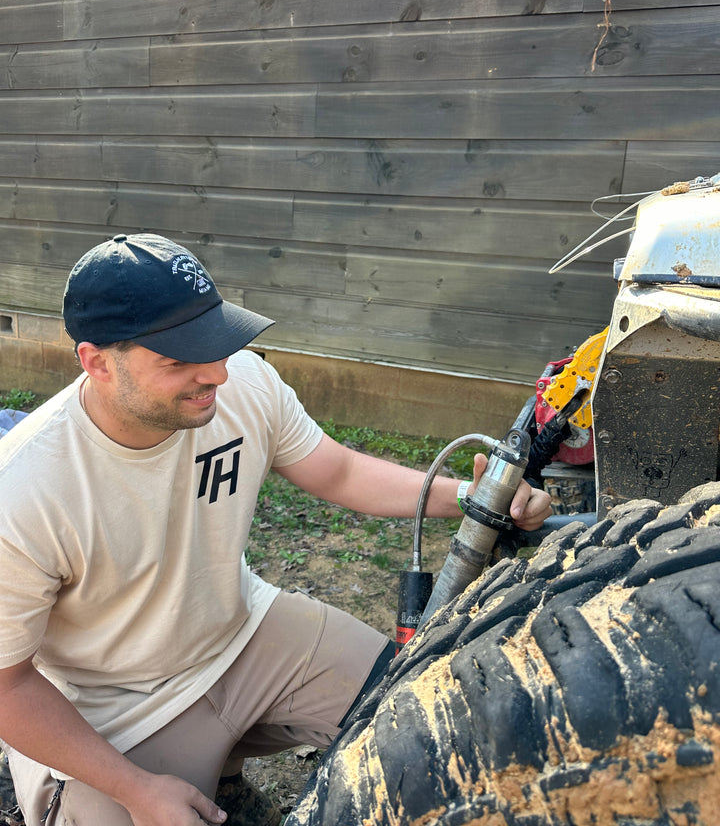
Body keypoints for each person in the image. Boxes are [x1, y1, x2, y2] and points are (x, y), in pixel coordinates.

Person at [0, 234, 551, 826]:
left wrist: (472, 498)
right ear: (97, 362)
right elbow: (6, 685)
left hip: (244, 634)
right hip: (115, 709)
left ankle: (224, 772)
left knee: (431, 713)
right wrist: (134, 789)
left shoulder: (243, 383)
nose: (215, 372)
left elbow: (337, 469)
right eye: (178, 359)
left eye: (216, 342)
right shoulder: (25, 489)